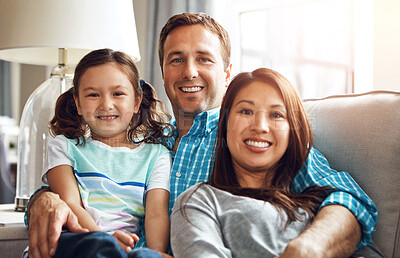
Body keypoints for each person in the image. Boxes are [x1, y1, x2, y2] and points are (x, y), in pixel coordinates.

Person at [26, 13, 377, 258]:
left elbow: (350, 200)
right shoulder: (144, 139)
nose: (189, 71)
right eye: (176, 59)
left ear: (226, 72)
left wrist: (308, 249)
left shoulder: (252, 137)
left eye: (203, 59)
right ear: (162, 72)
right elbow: (87, 183)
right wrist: (45, 199)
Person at [171, 68, 336, 257]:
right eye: (246, 111)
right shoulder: (198, 202)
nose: (260, 127)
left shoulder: (321, 205)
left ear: (291, 131)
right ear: (224, 125)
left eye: (276, 115)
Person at [39, 48, 172, 257]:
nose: (106, 104)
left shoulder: (157, 156)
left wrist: (155, 252)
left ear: (136, 101)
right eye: (93, 95)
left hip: (126, 250)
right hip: (78, 240)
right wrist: (106, 240)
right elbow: (70, 203)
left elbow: (156, 212)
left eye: (118, 94)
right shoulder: (64, 146)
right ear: (78, 103)